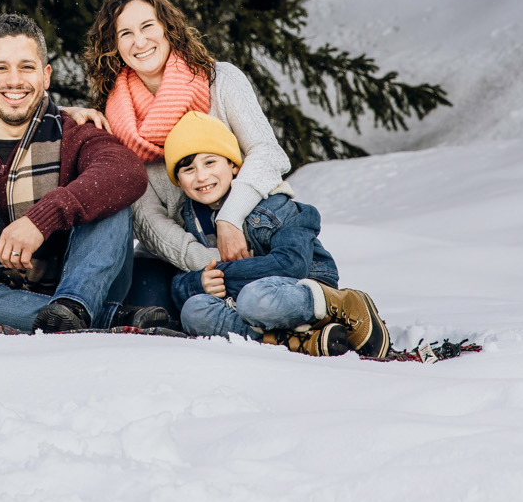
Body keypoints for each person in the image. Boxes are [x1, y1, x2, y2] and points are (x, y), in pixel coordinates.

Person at [0, 13, 166, 332]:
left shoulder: (74, 131)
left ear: (46, 76)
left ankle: (75, 306)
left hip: (87, 288)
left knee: (110, 192)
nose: (14, 80)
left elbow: (128, 172)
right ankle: (98, 319)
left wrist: (40, 220)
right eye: (1, 68)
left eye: (26, 67)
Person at [79, 0, 294, 312]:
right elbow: (146, 215)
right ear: (113, 45)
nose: (140, 42)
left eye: (148, 26)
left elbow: (267, 153)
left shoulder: (219, 80)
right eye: (125, 33)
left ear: (168, 28)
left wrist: (229, 220)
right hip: (177, 256)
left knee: (269, 294)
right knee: (145, 305)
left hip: (249, 235)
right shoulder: (114, 118)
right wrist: (208, 262)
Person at [160, 112, 392, 357]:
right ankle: (292, 340)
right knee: (193, 310)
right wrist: (199, 282)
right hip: (242, 304)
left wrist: (224, 274)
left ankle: (343, 305)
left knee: (255, 298)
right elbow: (179, 283)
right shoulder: (189, 219)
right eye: (188, 169)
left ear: (234, 165)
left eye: (210, 162)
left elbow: (292, 265)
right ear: (178, 181)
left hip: (297, 290)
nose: (202, 176)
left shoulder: (272, 205)